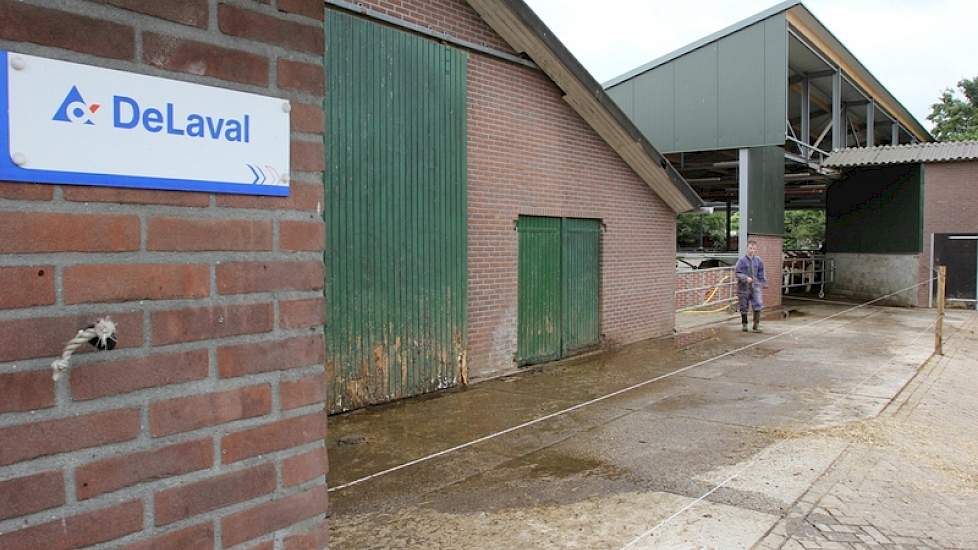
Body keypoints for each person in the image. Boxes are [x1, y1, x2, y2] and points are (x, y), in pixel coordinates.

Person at [735, 240, 767, 333]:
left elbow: (761, 272)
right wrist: (745, 278)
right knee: (744, 306)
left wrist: (763, 283)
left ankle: (756, 326)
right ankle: (744, 325)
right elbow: (737, 272)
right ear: (747, 248)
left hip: (755, 287)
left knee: (758, 304)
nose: (752, 250)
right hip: (743, 288)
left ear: (756, 249)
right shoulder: (741, 261)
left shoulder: (758, 260)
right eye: (750, 248)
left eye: (753, 248)